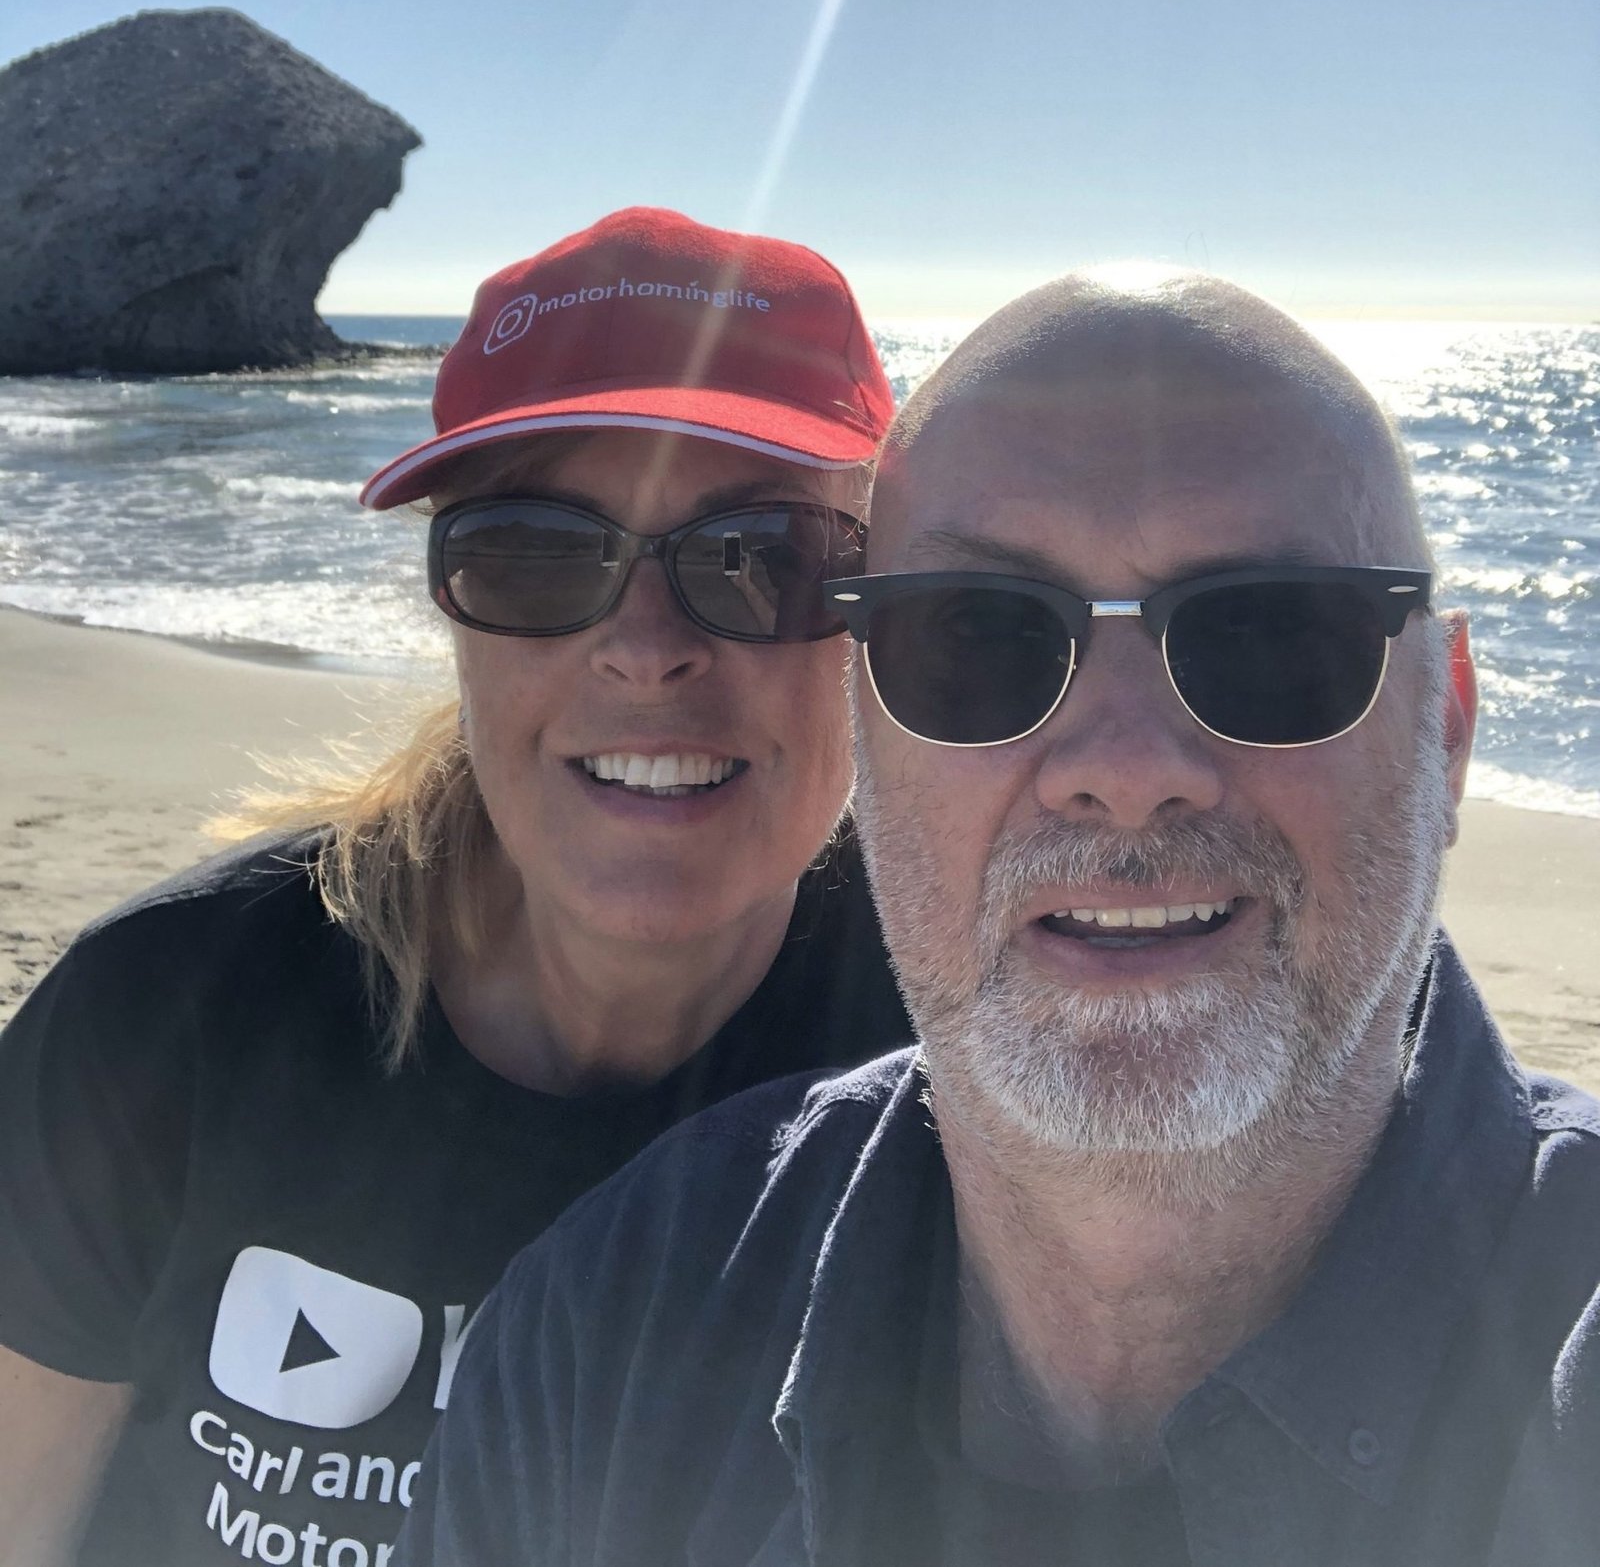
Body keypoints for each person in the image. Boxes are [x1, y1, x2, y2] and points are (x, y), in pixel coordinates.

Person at [400, 273, 1600, 1567]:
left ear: (1452, 726)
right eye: (975, 637)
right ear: (862, 732)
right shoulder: (607, 1334)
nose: (1129, 762)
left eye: (1272, 632)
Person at [0, 206, 912, 1567]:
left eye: (763, 557)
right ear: (449, 609)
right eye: (539, 552)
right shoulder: (160, 1022)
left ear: (881, 604)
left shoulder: (959, 1075)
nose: (644, 648)